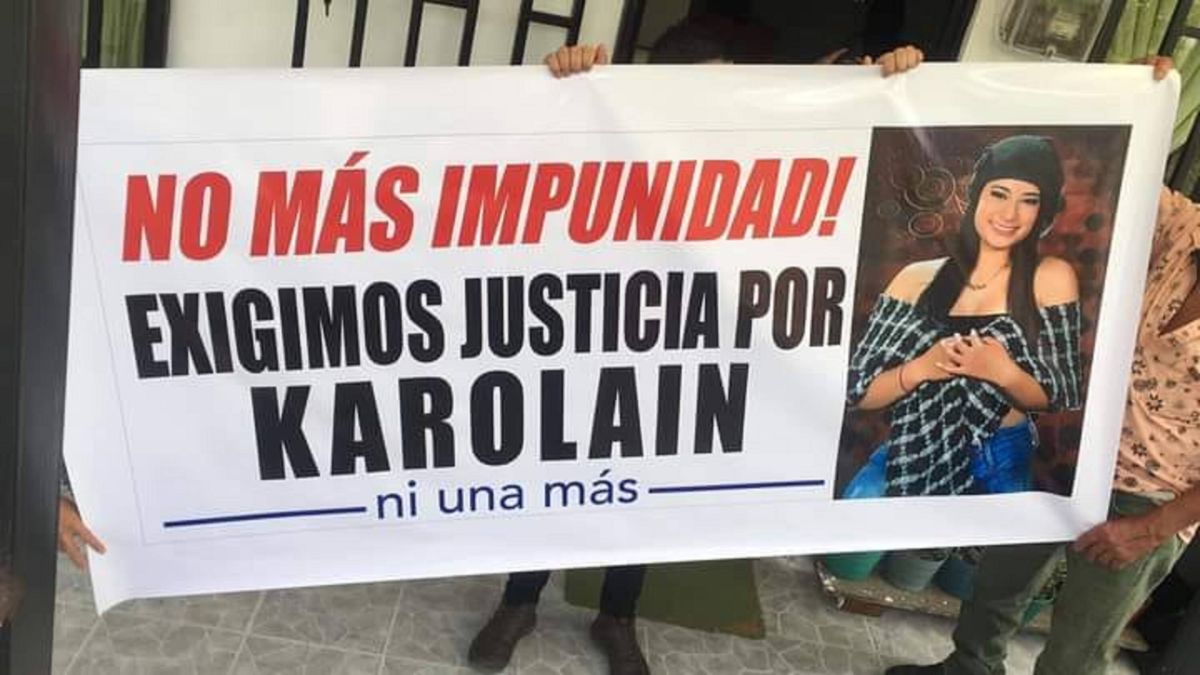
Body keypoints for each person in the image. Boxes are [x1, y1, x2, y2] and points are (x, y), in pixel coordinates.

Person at [467, 19, 926, 675]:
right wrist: (564, 81)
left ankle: (617, 614)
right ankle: (520, 600)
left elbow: (851, 142)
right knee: (558, 477)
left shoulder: (758, 147)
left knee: (649, 489)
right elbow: (527, 154)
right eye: (702, 87)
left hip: (689, 351)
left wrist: (889, 84)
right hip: (594, 340)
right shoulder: (609, 126)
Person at [886, 55, 1200, 675]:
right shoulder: (1182, 230)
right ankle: (968, 669)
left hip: (1148, 497)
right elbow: (1113, 170)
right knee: (994, 593)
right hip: (1066, 451)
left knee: (1076, 652)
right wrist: (1127, 93)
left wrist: (1151, 528)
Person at [845, 134, 1083, 498]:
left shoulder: (1050, 277)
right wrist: (921, 368)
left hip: (999, 457)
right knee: (854, 524)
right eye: (999, 193)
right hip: (912, 450)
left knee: (975, 538)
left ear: (1043, 210)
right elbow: (860, 391)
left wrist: (1002, 372)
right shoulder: (915, 278)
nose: (1009, 214)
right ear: (977, 196)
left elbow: (1059, 393)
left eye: (1029, 200)